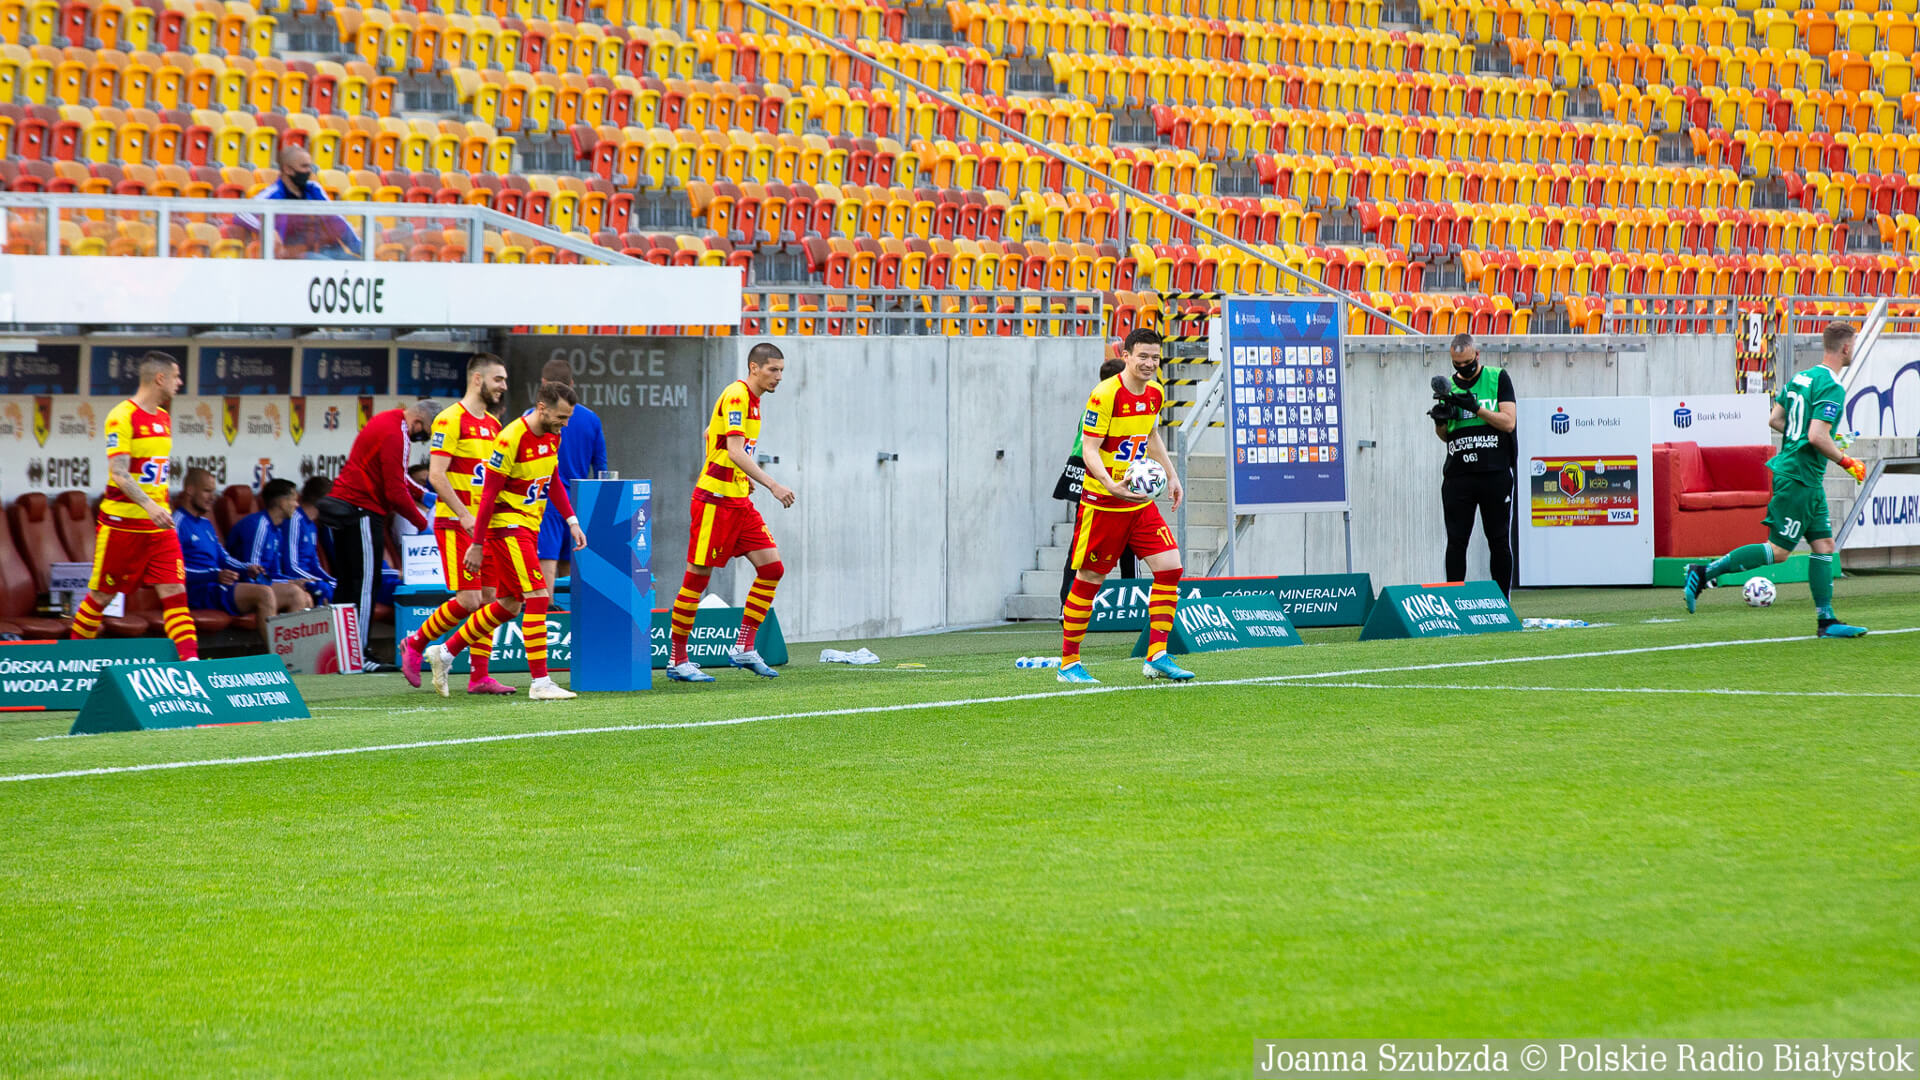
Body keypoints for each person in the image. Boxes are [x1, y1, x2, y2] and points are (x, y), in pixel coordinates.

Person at [1685, 322, 1870, 637]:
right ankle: (1703, 572)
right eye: (1854, 344)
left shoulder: (1801, 377)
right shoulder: (1832, 386)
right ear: (1846, 347)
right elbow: (1816, 436)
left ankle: (1826, 621)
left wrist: (1809, 436)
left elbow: (1775, 419)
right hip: (1799, 476)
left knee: (1824, 545)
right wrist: (1847, 461)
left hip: (1805, 477)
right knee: (1780, 550)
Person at [425, 380, 588, 701]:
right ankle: (540, 682)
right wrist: (478, 543)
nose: (565, 424)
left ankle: (445, 652)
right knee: (538, 596)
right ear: (542, 408)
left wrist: (572, 520)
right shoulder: (511, 438)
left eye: (568, 418)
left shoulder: (553, 435)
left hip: (528, 526)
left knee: (510, 604)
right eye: (561, 417)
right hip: (507, 527)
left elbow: (552, 479)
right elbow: (488, 495)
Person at [1057, 328, 1193, 685]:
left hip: (1138, 503)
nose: (1149, 363)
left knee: (1170, 567)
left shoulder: (1156, 392)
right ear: (1127, 356)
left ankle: (1157, 656)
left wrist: (1172, 475)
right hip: (1103, 503)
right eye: (1142, 356)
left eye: (1155, 357)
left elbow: (1150, 435)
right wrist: (1109, 484)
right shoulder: (1105, 394)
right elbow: (1089, 448)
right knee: (1090, 578)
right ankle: (1069, 663)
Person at [665, 342, 794, 683]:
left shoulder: (753, 400)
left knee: (772, 568)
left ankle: (744, 647)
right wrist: (772, 485)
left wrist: (739, 476)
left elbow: (711, 433)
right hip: (715, 501)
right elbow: (735, 450)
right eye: (773, 370)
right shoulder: (738, 396)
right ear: (754, 368)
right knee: (697, 578)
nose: (779, 377)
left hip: (738, 500)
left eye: (781, 370)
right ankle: (677, 659)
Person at [68, 351, 199, 661]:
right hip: (122, 525)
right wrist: (149, 506)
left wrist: (157, 509)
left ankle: (192, 663)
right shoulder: (122, 416)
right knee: (101, 595)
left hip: (159, 529)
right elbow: (119, 473)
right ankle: (72, 662)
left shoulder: (163, 417)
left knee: (175, 592)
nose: (180, 382)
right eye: (176, 376)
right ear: (160, 378)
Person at [399, 354, 510, 694]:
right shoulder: (450, 419)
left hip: (486, 527)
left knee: (490, 600)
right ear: (477, 379)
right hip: (456, 523)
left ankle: (480, 677)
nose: (503, 386)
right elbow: (436, 475)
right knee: (469, 600)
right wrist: (464, 514)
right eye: (498, 379)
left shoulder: (493, 425)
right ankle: (415, 643)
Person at [319, 398, 437, 666]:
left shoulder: (387, 420)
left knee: (348, 583)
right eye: (426, 433)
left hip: (349, 508)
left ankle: (341, 653)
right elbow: (395, 490)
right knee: (365, 583)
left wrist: (424, 496)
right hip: (362, 510)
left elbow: (396, 475)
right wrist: (422, 523)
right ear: (420, 422)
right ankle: (358, 654)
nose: (423, 440)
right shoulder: (398, 433)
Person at [1431, 332, 1518, 596]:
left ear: (1477, 355)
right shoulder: (1449, 387)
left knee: (1498, 539)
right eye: (1457, 364)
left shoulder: (1497, 377)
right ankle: (1455, 599)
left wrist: (1476, 408)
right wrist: (1440, 421)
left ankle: (1502, 601)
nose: (1462, 368)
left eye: (1467, 363)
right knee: (1456, 541)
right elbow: (1446, 436)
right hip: (1459, 475)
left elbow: (1508, 422)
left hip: (1494, 472)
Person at [176, 468, 306, 644]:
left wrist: (247, 568)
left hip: (218, 586)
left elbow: (224, 558)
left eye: (213, 492)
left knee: (296, 594)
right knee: (264, 593)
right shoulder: (177, 523)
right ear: (190, 490)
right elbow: (174, 571)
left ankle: (294, 655)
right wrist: (214, 575)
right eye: (207, 491)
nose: (212, 497)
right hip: (199, 591)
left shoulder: (205, 523)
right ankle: (278, 656)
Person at [1056, 356, 1134, 606]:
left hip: (1078, 472)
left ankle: (1066, 604)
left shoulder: (1092, 403)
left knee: (1079, 544)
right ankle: (1131, 601)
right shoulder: (1111, 405)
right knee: (1129, 542)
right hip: (1101, 475)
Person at [535, 358, 607, 589]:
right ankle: (569, 610)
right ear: (572, 384)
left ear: (543, 383)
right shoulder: (591, 419)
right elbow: (601, 469)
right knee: (571, 563)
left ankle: (547, 608)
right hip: (578, 501)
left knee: (546, 561)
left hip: (546, 499)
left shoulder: (534, 418)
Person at [237, 146, 362, 259]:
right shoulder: (273, 194)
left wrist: (360, 248)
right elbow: (242, 212)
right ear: (287, 169)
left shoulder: (314, 189)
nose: (309, 171)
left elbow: (337, 219)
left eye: (309, 166)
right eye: (304, 166)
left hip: (327, 249)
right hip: (295, 256)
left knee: (356, 263)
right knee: (325, 264)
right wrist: (267, 229)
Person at [226, 478, 322, 617]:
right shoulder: (259, 525)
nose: (296, 505)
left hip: (265, 584)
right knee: (296, 595)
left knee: (307, 597)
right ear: (282, 502)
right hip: (243, 586)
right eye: (293, 500)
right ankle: (283, 632)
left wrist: (291, 581)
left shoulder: (276, 530)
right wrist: (291, 583)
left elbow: (274, 572)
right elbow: (253, 576)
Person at [280, 476, 336, 604]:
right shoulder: (294, 520)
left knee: (343, 588)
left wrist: (331, 581)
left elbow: (315, 565)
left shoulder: (312, 525)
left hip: (310, 579)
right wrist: (320, 582)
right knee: (326, 589)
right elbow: (291, 567)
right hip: (295, 580)